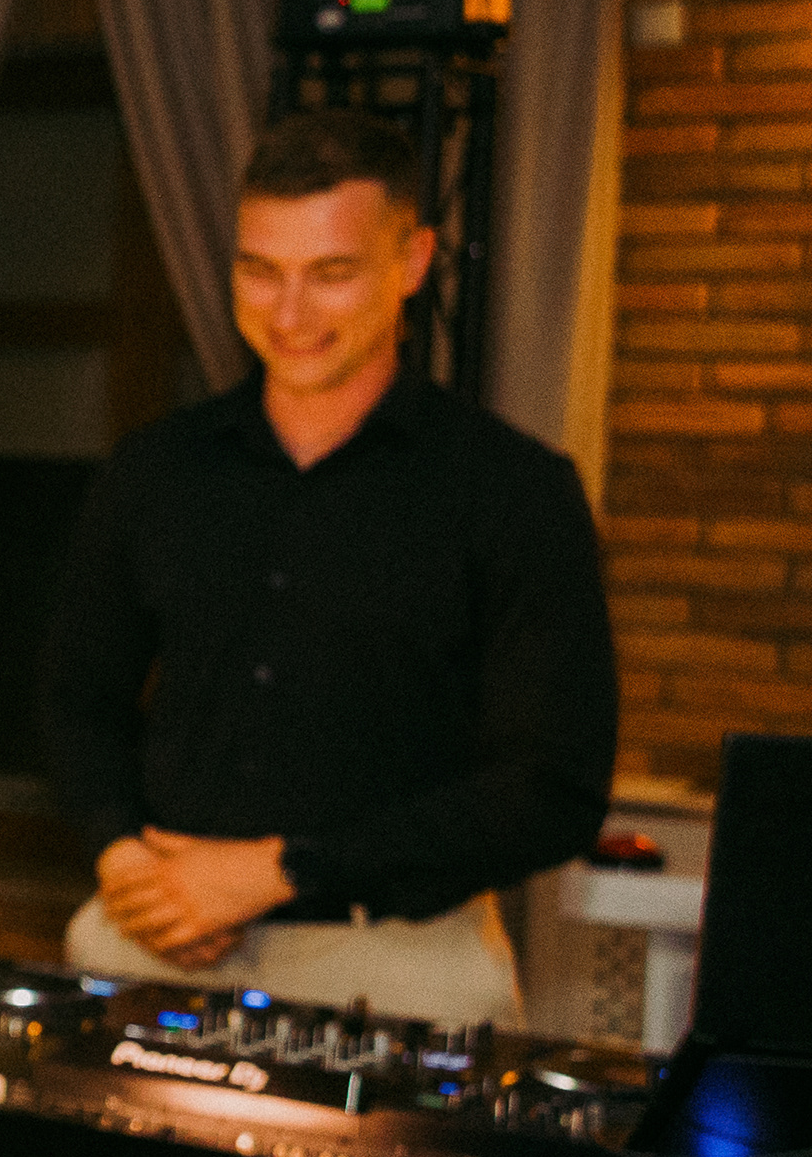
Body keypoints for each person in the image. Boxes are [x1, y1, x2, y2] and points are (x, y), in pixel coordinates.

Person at [38, 106, 615, 1025]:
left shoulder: (513, 491)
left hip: (402, 965)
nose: (289, 313)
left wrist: (281, 870)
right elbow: (76, 698)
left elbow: (554, 788)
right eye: (260, 270)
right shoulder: (155, 470)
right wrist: (122, 857)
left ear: (412, 263)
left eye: (331, 274)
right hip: (151, 934)